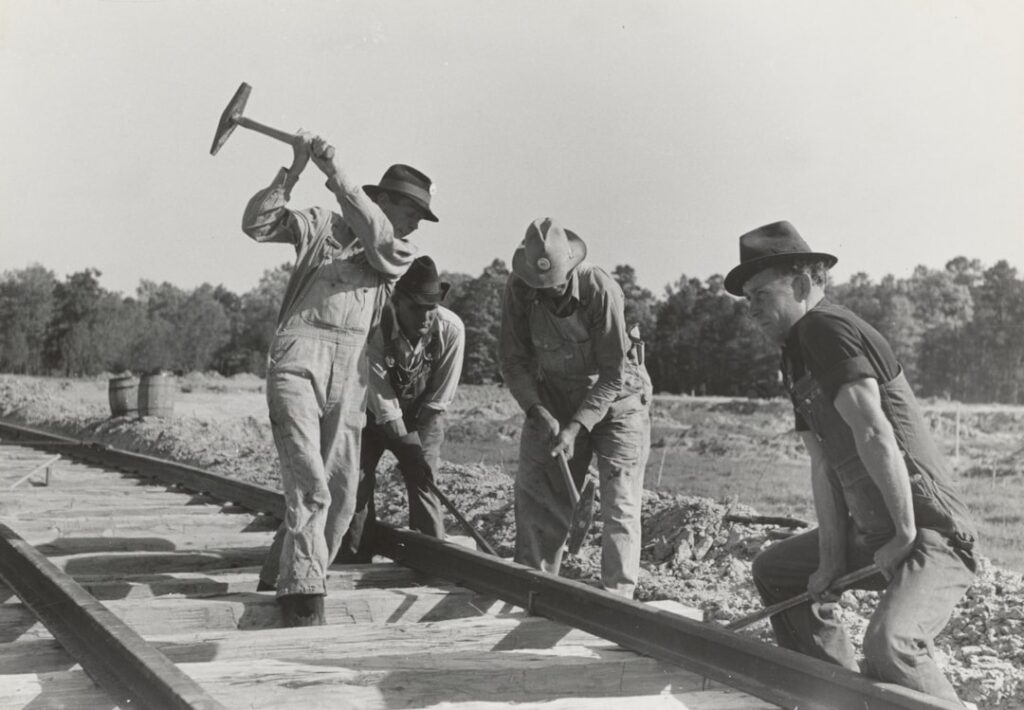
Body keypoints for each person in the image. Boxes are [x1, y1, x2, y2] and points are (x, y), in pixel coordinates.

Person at [726, 220, 977, 704]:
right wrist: (829, 561)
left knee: (891, 645)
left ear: (802, 284)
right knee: (777, 572)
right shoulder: (794, 355)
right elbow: (823, 466)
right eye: (746, 299)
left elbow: (873, 432)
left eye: (760, 293)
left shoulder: (825, 327)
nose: (751, 309)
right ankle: (837, 700)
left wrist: (904, 534)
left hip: (932, 532)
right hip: (877, 530)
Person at [244, 130, 439, 626]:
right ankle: (304, 590)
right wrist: (294, 170)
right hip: (298, 357)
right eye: (414, 210)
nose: (418, 221)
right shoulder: (320, 226)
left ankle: (280, 573)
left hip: (349, 370)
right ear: (388, 200)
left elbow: (376, 237)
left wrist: (336, 173)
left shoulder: (399, 251)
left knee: (340, 489)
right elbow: (258, 224)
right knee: (310, 479)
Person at [499, 217, 652, 598]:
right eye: (542, 292)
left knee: (619, 503)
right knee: (540, 494)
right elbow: (513, 361)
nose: (550, 298)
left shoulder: (601, 289)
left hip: (618, 403)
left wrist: (576, 427)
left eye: (556, 289)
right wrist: (537, 410)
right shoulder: (519, 289)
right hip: (554, 397)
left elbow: (613, 375)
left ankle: (619, 602)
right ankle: (534, 590)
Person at [338, 255, 465, 562]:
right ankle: (352, 555)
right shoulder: (374, 328)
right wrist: (404, 443)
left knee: (424, 482)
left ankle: (432, 560)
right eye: (415, 309)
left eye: (430, 308)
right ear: (397, 302)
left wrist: (416, 451)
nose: (424, 318)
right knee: (355, 482)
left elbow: (438, 399)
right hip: (370, 414)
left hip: (424, 415)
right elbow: (379, 397)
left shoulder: (451, 330)